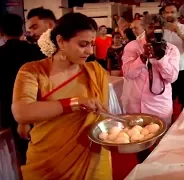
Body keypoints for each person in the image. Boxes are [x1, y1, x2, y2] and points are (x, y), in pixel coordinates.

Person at [12, 13, 112, 180]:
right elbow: (22, 112)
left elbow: (101, 117)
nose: (89, 51)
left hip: (88, 159)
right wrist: (75, 103)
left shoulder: (95, 72)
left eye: (91, 45)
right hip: (47, 162)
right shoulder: (33, 71)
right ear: (60, 41)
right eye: (82, 44)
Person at [0, 13, 45, 165]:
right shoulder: (37, 51)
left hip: (10, 111)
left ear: (1, 32)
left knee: (23, 157)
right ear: (22, 30)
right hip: (41, 108)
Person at [121, 23, 180, 125]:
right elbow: (128, 74)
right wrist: (143, 57)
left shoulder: (171, 49)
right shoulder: (132, 46)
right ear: (144, 28)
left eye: (158, 28)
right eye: (151, 26)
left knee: (162, 140)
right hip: (135, 106)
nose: (154, 31)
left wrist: (161, 59)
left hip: (159, 106)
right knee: (135, 137)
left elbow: (172, 78)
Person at [163, 4, 184, 110]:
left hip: (182, 68)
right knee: (167, 100)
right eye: (167, 12)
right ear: (163, 15)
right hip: (166, 69)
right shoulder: (160, 31)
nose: (169, 14)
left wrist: (180, 33)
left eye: (172, 12)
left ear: (177, 14)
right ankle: (169, 123)